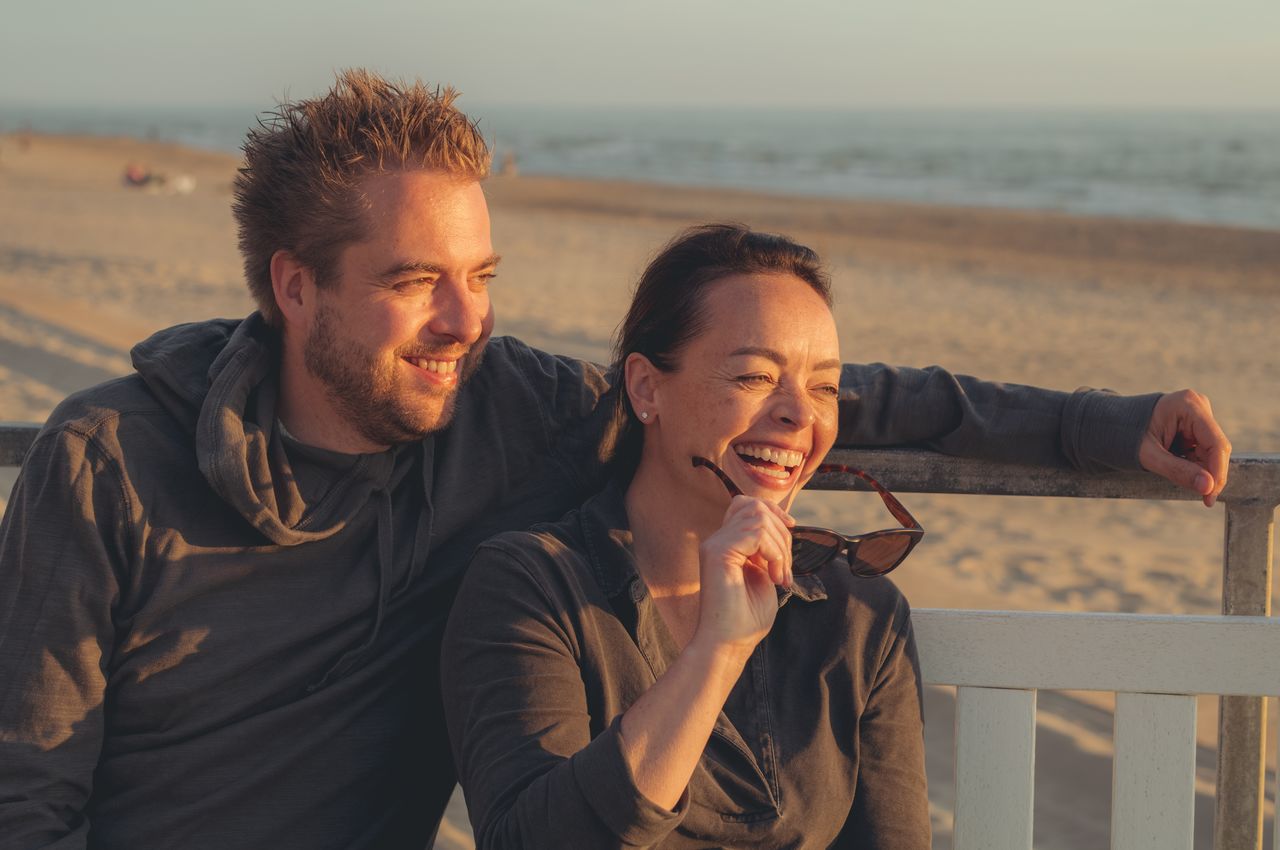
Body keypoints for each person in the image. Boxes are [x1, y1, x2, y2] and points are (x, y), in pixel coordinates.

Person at [0, 69, 1230, 850]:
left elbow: (790, 391)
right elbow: (26, 795)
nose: (462, 323)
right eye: (415, 283)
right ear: (293, 285)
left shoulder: (507, 408)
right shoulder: (108, 460)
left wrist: (1096, 426)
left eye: (480, 280)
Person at [443, 225, 931, 848]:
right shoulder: (531, 586)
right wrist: (716, 653)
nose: (800, 415)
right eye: (755, 377)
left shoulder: (860, 614)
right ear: (646, 387)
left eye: (825, 387)